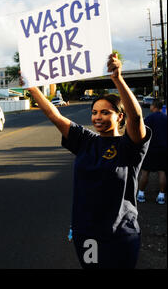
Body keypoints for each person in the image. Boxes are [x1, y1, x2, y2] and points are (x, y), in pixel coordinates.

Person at [25, 53, 151, 269]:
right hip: (87, 234)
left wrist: (117, 79)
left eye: (105, 112)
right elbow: (55, 116)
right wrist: (33, 88)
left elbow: (137, 117)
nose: (97, 117)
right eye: (94, 113)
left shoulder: (129, 146)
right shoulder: (86, 141)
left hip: (120, 235)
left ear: (119, 117)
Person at [137, 99, 167, 205]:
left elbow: (142, 133)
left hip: (150, 149)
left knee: (145, 172)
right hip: (163, 149)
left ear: (153, 106)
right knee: (162, 172)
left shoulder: (149, 118)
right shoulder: (165, 118)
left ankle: (141, 194)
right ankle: (161, 196)